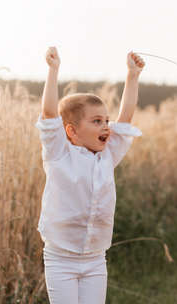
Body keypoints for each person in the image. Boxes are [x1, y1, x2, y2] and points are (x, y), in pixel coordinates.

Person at [35, 46, 145, 304]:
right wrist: (53, 70)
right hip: (61, 259)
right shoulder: (59, 153)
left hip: (96, 259)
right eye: (96, 121)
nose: (106, 126)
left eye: (106, 120)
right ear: (71, 131)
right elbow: (50, 115)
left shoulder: (108, 155)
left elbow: (126, 116)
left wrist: (132, 75)